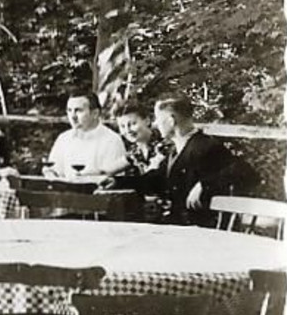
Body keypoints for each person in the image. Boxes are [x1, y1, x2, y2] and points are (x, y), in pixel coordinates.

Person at [139, 96, 256, 227]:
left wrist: (204, 185)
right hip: (178, 225)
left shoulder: (206, 146)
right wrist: (116, 181)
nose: (155, 124)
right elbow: (155, 181)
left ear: (171, 121)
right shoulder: (174, 151)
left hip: (203, 230)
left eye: (158, 119)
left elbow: (247, 172)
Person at [44, 91, 129, 180]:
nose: (73, 116)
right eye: (69, 110)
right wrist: (50, 174)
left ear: (95, 113)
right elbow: (52, 170)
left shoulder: (112, 140)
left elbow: (114, 181)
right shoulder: (63, 138)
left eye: (78, 110)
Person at [114, 102, 164, 174]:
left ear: (147, 121)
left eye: (133, 124)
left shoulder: (164, 145)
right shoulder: (135, 152)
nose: (128, 131)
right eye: (122, 126)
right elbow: (109, 169)